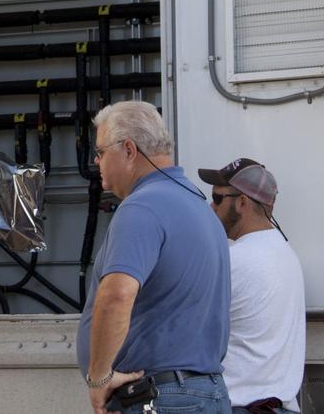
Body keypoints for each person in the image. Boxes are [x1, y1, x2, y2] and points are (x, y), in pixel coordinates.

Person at [77, 101, 232, 414]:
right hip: (207, 392)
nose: (97, 162)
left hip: (160, 397)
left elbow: (117, 295)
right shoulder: (198, 206)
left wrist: (99, 378)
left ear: (129, 150)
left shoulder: (141, 208)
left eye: (101, 152)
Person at [199, 159, 305, 414]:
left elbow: (189, 332)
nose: (210, 207)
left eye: (217, 197)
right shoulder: (287, 255)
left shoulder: (234, 260)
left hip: (240, 407)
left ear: (242, 202)